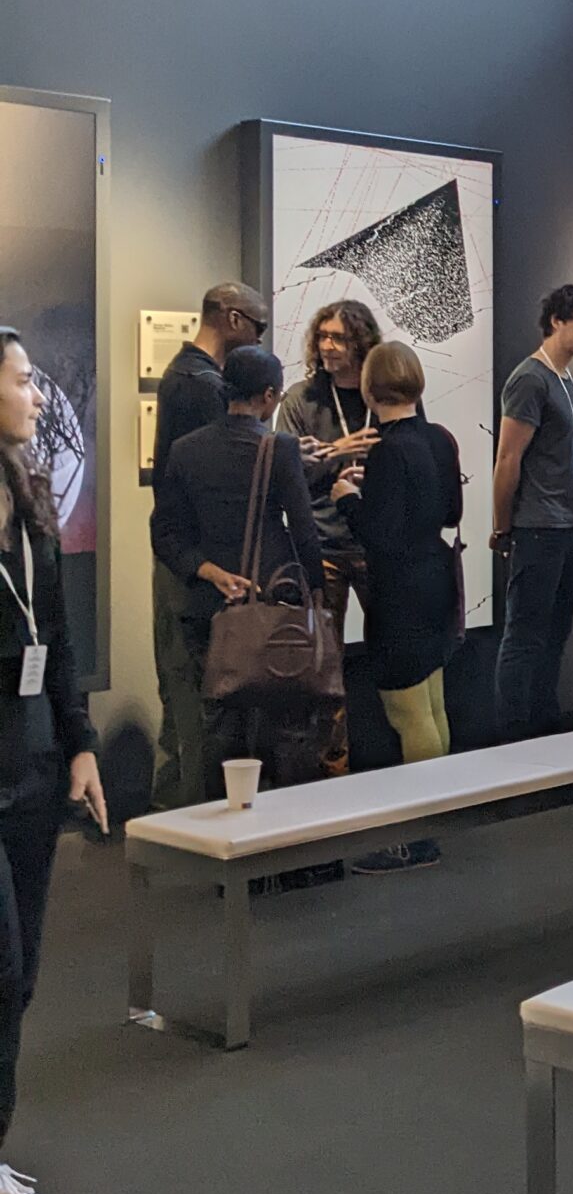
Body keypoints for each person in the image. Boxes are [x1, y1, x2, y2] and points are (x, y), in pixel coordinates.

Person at [0, 329, 109, 1194]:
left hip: (34, 766)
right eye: (23, 381)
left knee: (22, 974)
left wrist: (80, 745)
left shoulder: (31, 494)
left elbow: (59, 637)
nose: (39, 396)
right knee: (0, 972)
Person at [149, 345, 329, 795]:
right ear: (268, 396)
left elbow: (165, 532)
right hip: (273, 604)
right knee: (280, 728)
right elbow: (304, 531)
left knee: (217, 725)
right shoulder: (279, 448)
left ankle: (221, 818)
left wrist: (207, 569)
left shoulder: (185, 450)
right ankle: (275, 827)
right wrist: (318, 593)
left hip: (208, 606)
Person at [328, 342, 463, 875]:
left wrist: (347, 497)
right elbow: (449, 510)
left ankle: (418, 837)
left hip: (399, 589)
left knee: (407, 712)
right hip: (436, 578)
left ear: (369, 389)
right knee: (432, 703)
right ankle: (438, 817)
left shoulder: (385, 451)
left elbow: (378, 536)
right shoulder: (440, 438)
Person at [148, 280, 270, 811]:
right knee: (195, 701)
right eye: (259, 327)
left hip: (191, 562)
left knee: (189, 700)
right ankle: (185, 823)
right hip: (193, 568)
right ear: (233, 318)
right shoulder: (198, 386)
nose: (260, 339)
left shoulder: (189, 377)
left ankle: (174, 815)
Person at [275, 298, 383, 778]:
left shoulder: (382, 393)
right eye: (322, 337)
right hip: (323, 545)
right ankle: (333, 773)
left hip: (375, 541)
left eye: (338, 337)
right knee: (326, 668)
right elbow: (285, 473)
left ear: (361, 342)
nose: (328, 346)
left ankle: (386, 762)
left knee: (391, 657)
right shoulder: (301, 399)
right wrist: (337, 452)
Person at [492, 285, 573, 744]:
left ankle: (544, 727)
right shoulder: (530, 379)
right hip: (538, 527)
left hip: (570, 525)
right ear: (556, 320)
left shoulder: (567, 380)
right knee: (525, 636)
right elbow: (507, 459)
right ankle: (513, 736)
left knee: (555, 634)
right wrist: (502, 526)